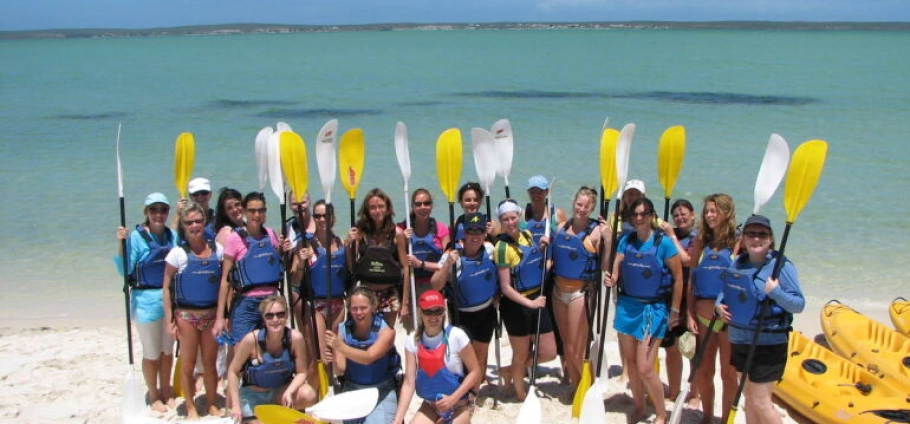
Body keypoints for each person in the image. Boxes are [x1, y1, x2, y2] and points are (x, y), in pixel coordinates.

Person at [717, 215, 804, 424]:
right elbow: (726, 292)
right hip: (740, 340)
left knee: (761, 402)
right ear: (743, 238)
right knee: (749, 399)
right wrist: (718, 307)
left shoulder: (780, 265)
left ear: (771, 239)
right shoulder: (738, 262)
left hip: (768, 343)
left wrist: (776, 292)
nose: (756, 239)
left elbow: (799, 304)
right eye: (751, 234)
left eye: (762, 234)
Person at [605, 198, 683, 424]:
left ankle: (661, 414)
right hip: (627, 307)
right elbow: (616, 268)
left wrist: (676, 310)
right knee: (630, 362)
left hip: (653, 309)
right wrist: (612, 278)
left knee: (645, 367)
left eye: (643, 214)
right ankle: (639, 406)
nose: (639, 218)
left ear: (651, 215)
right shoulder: (625, 241)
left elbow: (678, 279)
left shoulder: (664, 243)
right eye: (635, 215)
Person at [115, 192, 179, 412]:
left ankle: (166, 391)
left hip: (169, 301)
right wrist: (120, 244)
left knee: (167, 350)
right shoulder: (136, 237)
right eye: (153, 210)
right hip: (145, 303)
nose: (158, 214)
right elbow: (123, 269)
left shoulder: (172, 236)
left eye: (163, 210)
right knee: (152, 352)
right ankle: (154, 396)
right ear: (146, 213)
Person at [162, 202, 224, 419]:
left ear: (204, 222)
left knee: (210, 363)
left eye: (198, 221)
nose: (195, 226)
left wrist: (222, 316)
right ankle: (190, 407)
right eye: (189, 222)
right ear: (184, 226)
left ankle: (211, 403)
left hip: (210, 315)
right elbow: (166, 288)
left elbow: (226, 284)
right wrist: (170, 321)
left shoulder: (218, 250)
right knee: (187, 364)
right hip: (187, 317)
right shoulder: (177, 254)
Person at [494, 199, 557, 401]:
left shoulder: (528, 235)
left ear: (519, 217)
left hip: (536, 300)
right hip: (516, 307)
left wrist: (542, 248)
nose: (511, 222)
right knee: (520, 354)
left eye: (513, 217)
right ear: (501, 222)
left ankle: (510, 370)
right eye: (506, 219)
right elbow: (505, 287)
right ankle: (520, 394)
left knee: (549, 352)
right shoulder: (501, 248)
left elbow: (531, 264)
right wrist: (530, 304)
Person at [430, 212, 498, 393]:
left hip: (486, 312)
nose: (475, 236)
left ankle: (475, 391)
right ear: (464, 233)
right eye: (471, 231)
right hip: (462, 315)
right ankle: (465, 390)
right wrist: (446, 265)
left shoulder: (490, 250)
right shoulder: (452, 257)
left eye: (479, 231)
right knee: (465, 356)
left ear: (485, 233)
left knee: (481, 353)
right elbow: (435, 285)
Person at [550, 186, 611, 389]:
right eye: (579, 204)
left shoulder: (595, 232)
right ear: (573, 202)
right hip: (558, 292)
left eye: (586, 206)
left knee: (577, 348)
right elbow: (552, 260)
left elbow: (605, 266)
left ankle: (588, 387)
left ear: (592, 208)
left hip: (581, 293)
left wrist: (609, 240)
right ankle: (578, 387)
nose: (581, 209)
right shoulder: (560, 228)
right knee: (567, 346)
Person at [687, 193, 739, 424]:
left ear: (727, 213)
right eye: (707, 211)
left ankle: (727, 419)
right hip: (703, 317)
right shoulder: (700, 242)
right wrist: (688, 314)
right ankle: (707, 417)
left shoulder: (737, 243)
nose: (709, 215)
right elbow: (691, 281)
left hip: (729, 321)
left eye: (714, 210)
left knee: (728, 375)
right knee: (704, 372)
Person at [393, 291, 482, 424]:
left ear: (444, 312)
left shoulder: (457, 336)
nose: (433, 317)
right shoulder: (412, 340)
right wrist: (398, 420)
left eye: (438, 311)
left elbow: (475, 372)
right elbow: (409, 382)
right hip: (431, 405)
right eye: (428, 312)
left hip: (459, 403)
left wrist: (452, 399)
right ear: (420, 313)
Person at [214, 192, 290, 346]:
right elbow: (225, 281)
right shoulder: (234, 238)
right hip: (246, 303)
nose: (257, 215)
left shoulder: (270, 234)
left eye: (261, 210)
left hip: (271, 301)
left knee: (270, 350)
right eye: (252, 211)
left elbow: (273, 264)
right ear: (244, 211)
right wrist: (220, 317)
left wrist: (283, 251)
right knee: (242, 352)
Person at [227, 295, 316, 422]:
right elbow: (233, 371)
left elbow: (302, 372)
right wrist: (235, 405)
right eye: (270, 315)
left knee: (309, 394)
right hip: (254, 394)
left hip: (280, 392)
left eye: (280, 314)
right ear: (263, 318)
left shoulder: (296, 339)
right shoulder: (251, 340)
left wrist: (290, 391)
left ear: (286, 315)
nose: (275, 319)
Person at [291, 200, 348, 394]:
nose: (322, 219)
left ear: (333, 217)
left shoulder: (341, 242)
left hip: (339, 305)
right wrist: (301, 263)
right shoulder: (306, 244)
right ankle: (313, 396)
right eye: (318, 216)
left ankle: (330, 390)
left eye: (326, 215)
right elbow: (296, 279)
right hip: (316, 306)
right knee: (320, 357)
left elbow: (349, 273)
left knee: (338, 363)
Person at [325, 286, 401, 424]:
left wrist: (340, 347)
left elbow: (369, 357)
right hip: (352, 389)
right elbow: (340, 370)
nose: (359, 312)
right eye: (354, 308)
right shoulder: (342, 330)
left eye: (363, 308)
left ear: (373, 307)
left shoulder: (387, 331)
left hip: (381, 390)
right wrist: (332, 360)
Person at [347, 188, 410, 328]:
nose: (377, 211)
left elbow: (406, 268)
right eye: (373, 207)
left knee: (386, 336)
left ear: (388, 209)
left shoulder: (397, 233)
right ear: (367, 210)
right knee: (365, 335)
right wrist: (347, 245)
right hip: (365, 293)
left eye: (381, 206)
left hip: (389, 293)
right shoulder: (360, 232)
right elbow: (352, 267)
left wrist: (404, 303)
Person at [659, 199, 697, 401]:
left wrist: (671, 236)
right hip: (671, 295)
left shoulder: (697, 237)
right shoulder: (668, 233)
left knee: (691, 347)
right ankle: (674, 391)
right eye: (676, 215)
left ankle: (695, 393)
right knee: (672, 347)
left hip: (691, 298)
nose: (680, 218)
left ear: (693, 215)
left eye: (684, 214)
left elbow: (688, 260)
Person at [399, 188, 450, 299]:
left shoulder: (441, 229)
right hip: (410, 284)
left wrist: (420, 264)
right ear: (412, 207)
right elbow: (393, 253)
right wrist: (401, 238)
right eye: (418, 204)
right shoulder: (402, 228)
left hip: (435, 283)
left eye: (426, 203)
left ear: (431, 206)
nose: (423, 207)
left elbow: (446, 263)